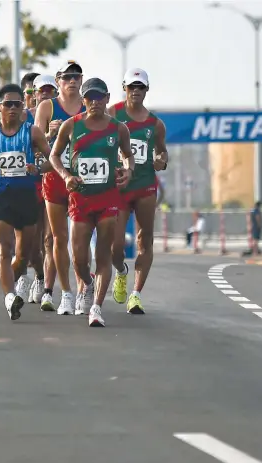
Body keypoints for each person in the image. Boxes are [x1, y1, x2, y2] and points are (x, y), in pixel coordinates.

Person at [50, 77, 134, 327]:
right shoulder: (71, 126)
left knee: (103, 255)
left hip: (108, 197)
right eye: (89, 97)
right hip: (80, 198)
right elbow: (54, 155)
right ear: (83, 100)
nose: (94, 102)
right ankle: (87, 282)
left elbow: (128, 156)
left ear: (107, 98)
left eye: (99, 97)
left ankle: (96, 307)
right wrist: (66, 176)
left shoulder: (119, 129)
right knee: (78, 259)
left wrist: (128, 171)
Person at [0, 84, 52, 320]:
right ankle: (9, 298)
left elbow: (52, 159)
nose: (14, 108)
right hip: (1, 197)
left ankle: (16, 284)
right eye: (8, 104)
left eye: (18, 103)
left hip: (27, 198)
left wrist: (36, 167)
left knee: (24, 255)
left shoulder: (33, 132)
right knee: (3, 251)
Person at [108, 68, 168, 314]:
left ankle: (136, 294)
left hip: (145, 186)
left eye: (140, 87)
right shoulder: (113, 113)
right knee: (116, 245)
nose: (135, 91)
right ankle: (121, 271)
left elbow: (162, 153)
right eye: (131, 86)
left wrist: (160, 160)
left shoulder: (155, 124)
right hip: (120, 187)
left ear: (146, 90)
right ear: (124, 88)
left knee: (145, 241)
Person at [35, 61, 90, 315]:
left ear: (81, 80)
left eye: (76, 76)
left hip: (81, 179)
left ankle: (82, 290)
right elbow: (35, 144)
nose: (72, 81)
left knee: (81, 240)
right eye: (67, 77)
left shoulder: (89, 105)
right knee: (58, 238)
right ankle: (65, 293)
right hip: (55, 178)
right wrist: (49, 133)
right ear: (58, 81)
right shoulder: (48, 106)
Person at [16, 75, 59, 304]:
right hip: (30, 182)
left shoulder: (60, 115)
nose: (44, 95)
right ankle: (37, 274)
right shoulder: (23, 118)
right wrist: (47, 136)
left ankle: (45, 285)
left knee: (48, 238)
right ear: (32, 94)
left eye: (50, 91)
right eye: (40, 91)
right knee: (30, 240)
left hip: (51, 179)